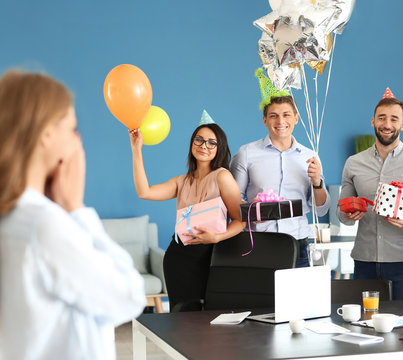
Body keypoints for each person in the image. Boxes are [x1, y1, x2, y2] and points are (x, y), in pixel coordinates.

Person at [0, 70, 145, 360]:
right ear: (46, 134)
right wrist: (76, 209)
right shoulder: (44, 225)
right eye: (73, 129)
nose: (78, 141)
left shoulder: (13, 218)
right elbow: (128, 297)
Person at [129, 111, 245, 311]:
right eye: (199, 140)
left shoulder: (222, 177)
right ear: (192, 144)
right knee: (181, 317)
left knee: (207, 319)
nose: (204, 146)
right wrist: (136, 149)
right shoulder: (181, 181)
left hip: (210, 256)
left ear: (219, 148)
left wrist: (218, 237)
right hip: (178, 257)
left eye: (211, 142)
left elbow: (241, 220)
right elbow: (144, 192)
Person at [337, 87, 403, 300]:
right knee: (365, 326)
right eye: (381, 118)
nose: (387, 124)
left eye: (394, 119)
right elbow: (341, 212)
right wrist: (347, 215)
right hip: (365, 262)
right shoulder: (353, 163)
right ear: (373, 121)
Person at [230, 70, 330, 268]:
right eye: (273, 116)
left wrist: (317, 183)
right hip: (259, 243)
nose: (280, 121)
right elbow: (233, 202)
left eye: (286, 115)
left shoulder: (309, 156)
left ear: (296, 118)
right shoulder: (246, 153)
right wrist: (254, 209)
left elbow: (321, 210)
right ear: (265, 120)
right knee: (261, 298)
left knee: (297, 299)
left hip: (297, 243)